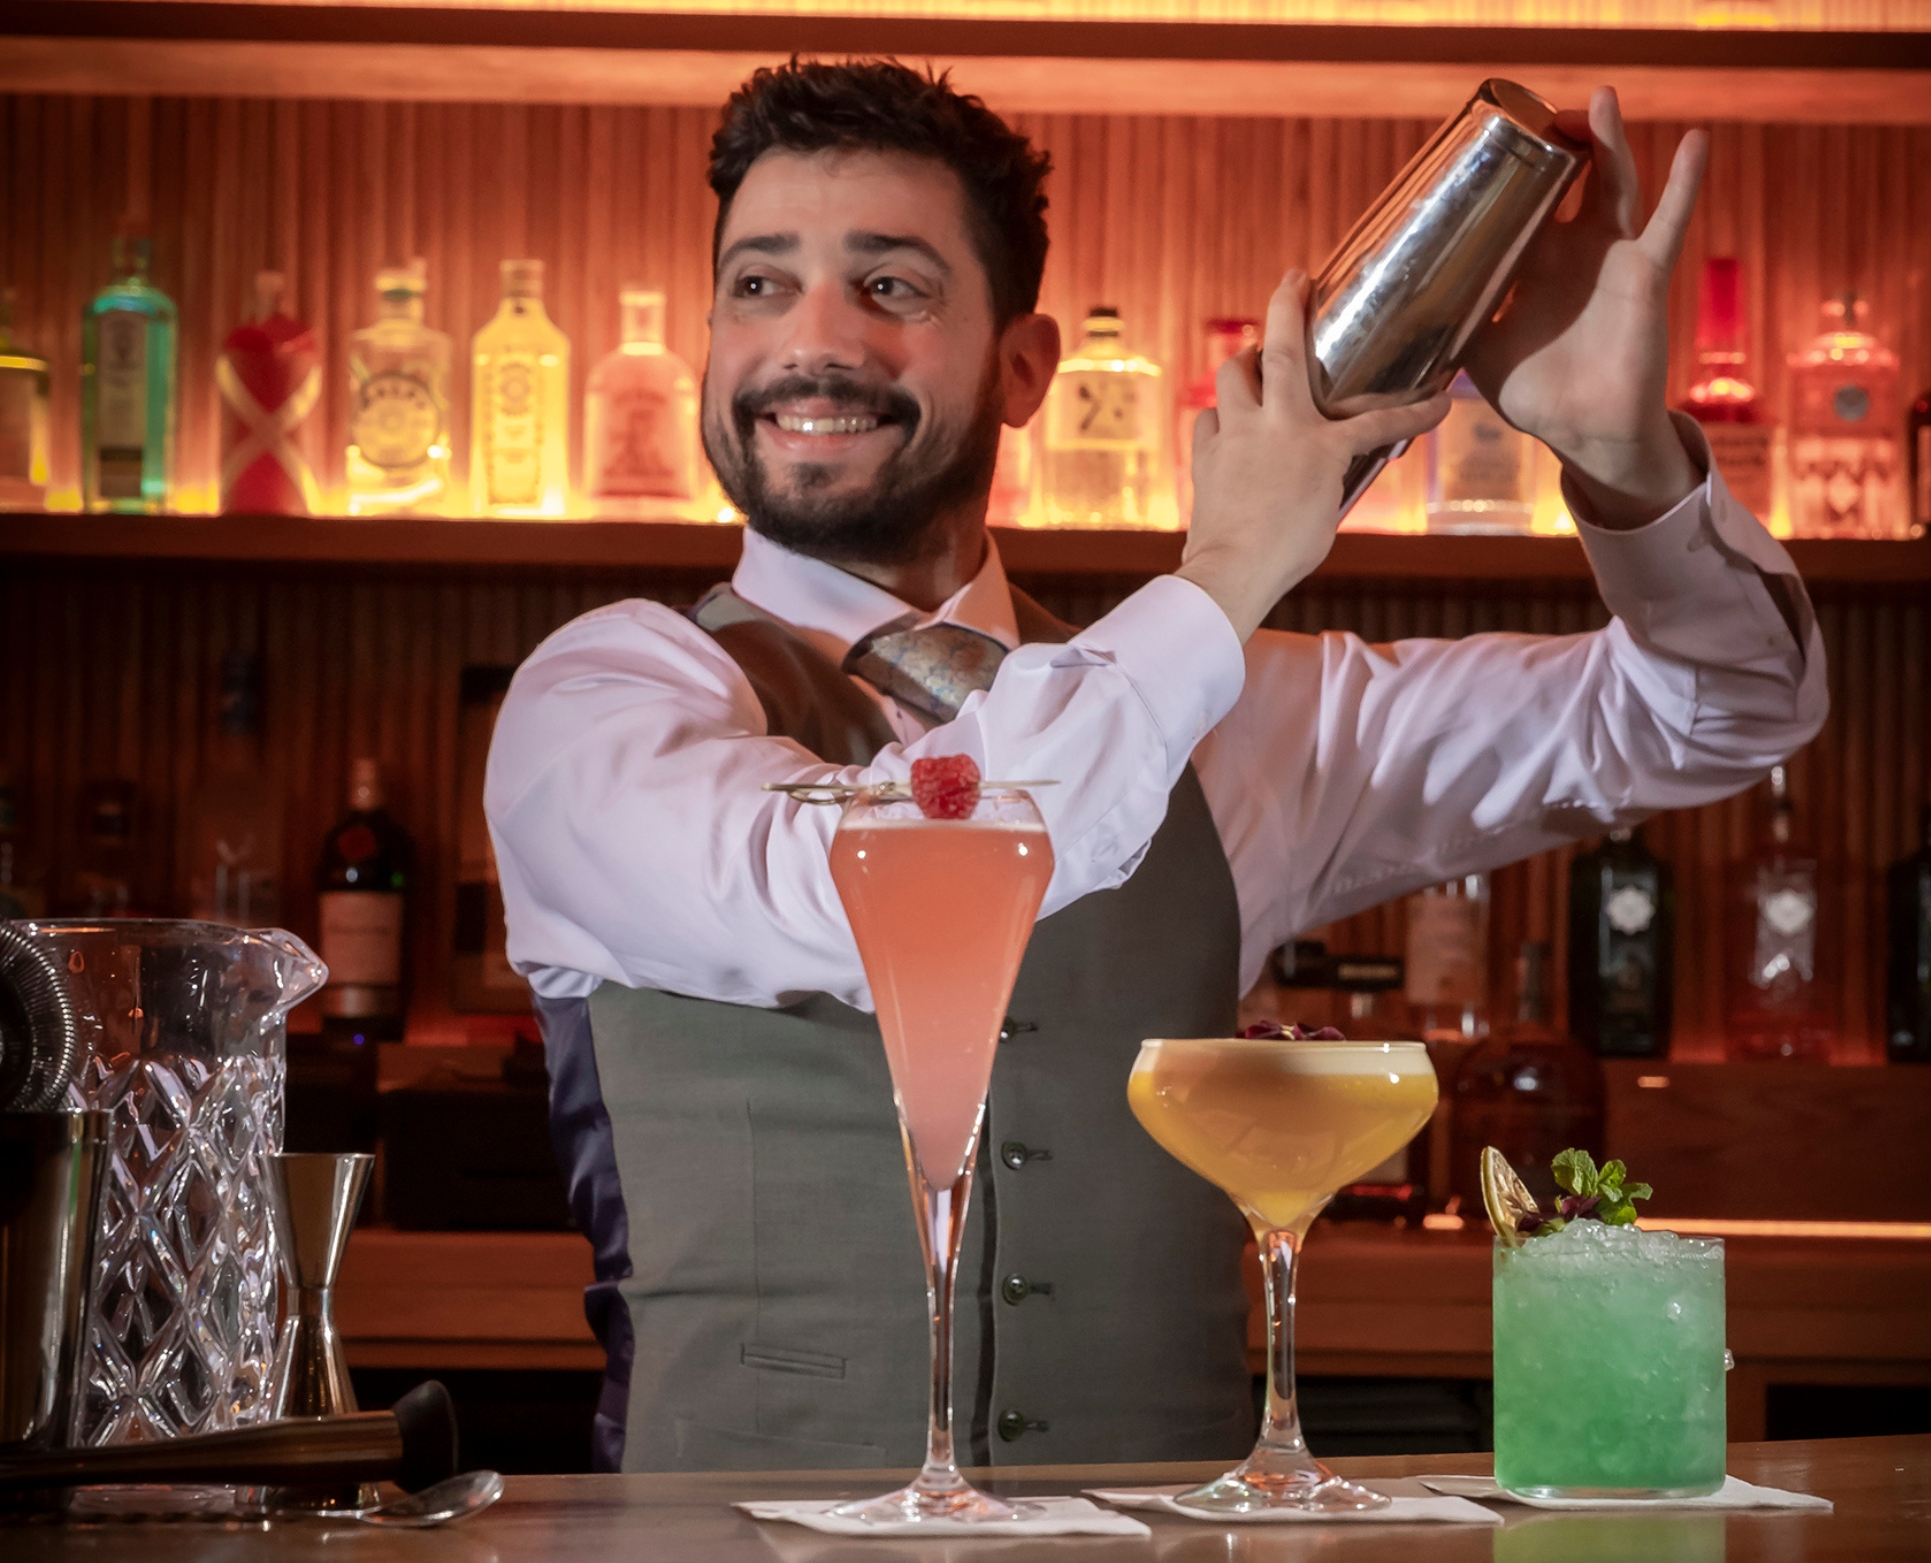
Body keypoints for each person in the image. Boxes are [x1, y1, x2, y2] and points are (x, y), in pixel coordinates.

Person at [487, 59, 1827, 1475]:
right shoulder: (606, 698)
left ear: (1023, 367)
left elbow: (1720, 711)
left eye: (891, 288)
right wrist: (1230, 570)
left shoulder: (1235, 711)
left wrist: (1625, 467)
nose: (811, 344)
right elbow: (877, 883)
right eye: (759, 287)